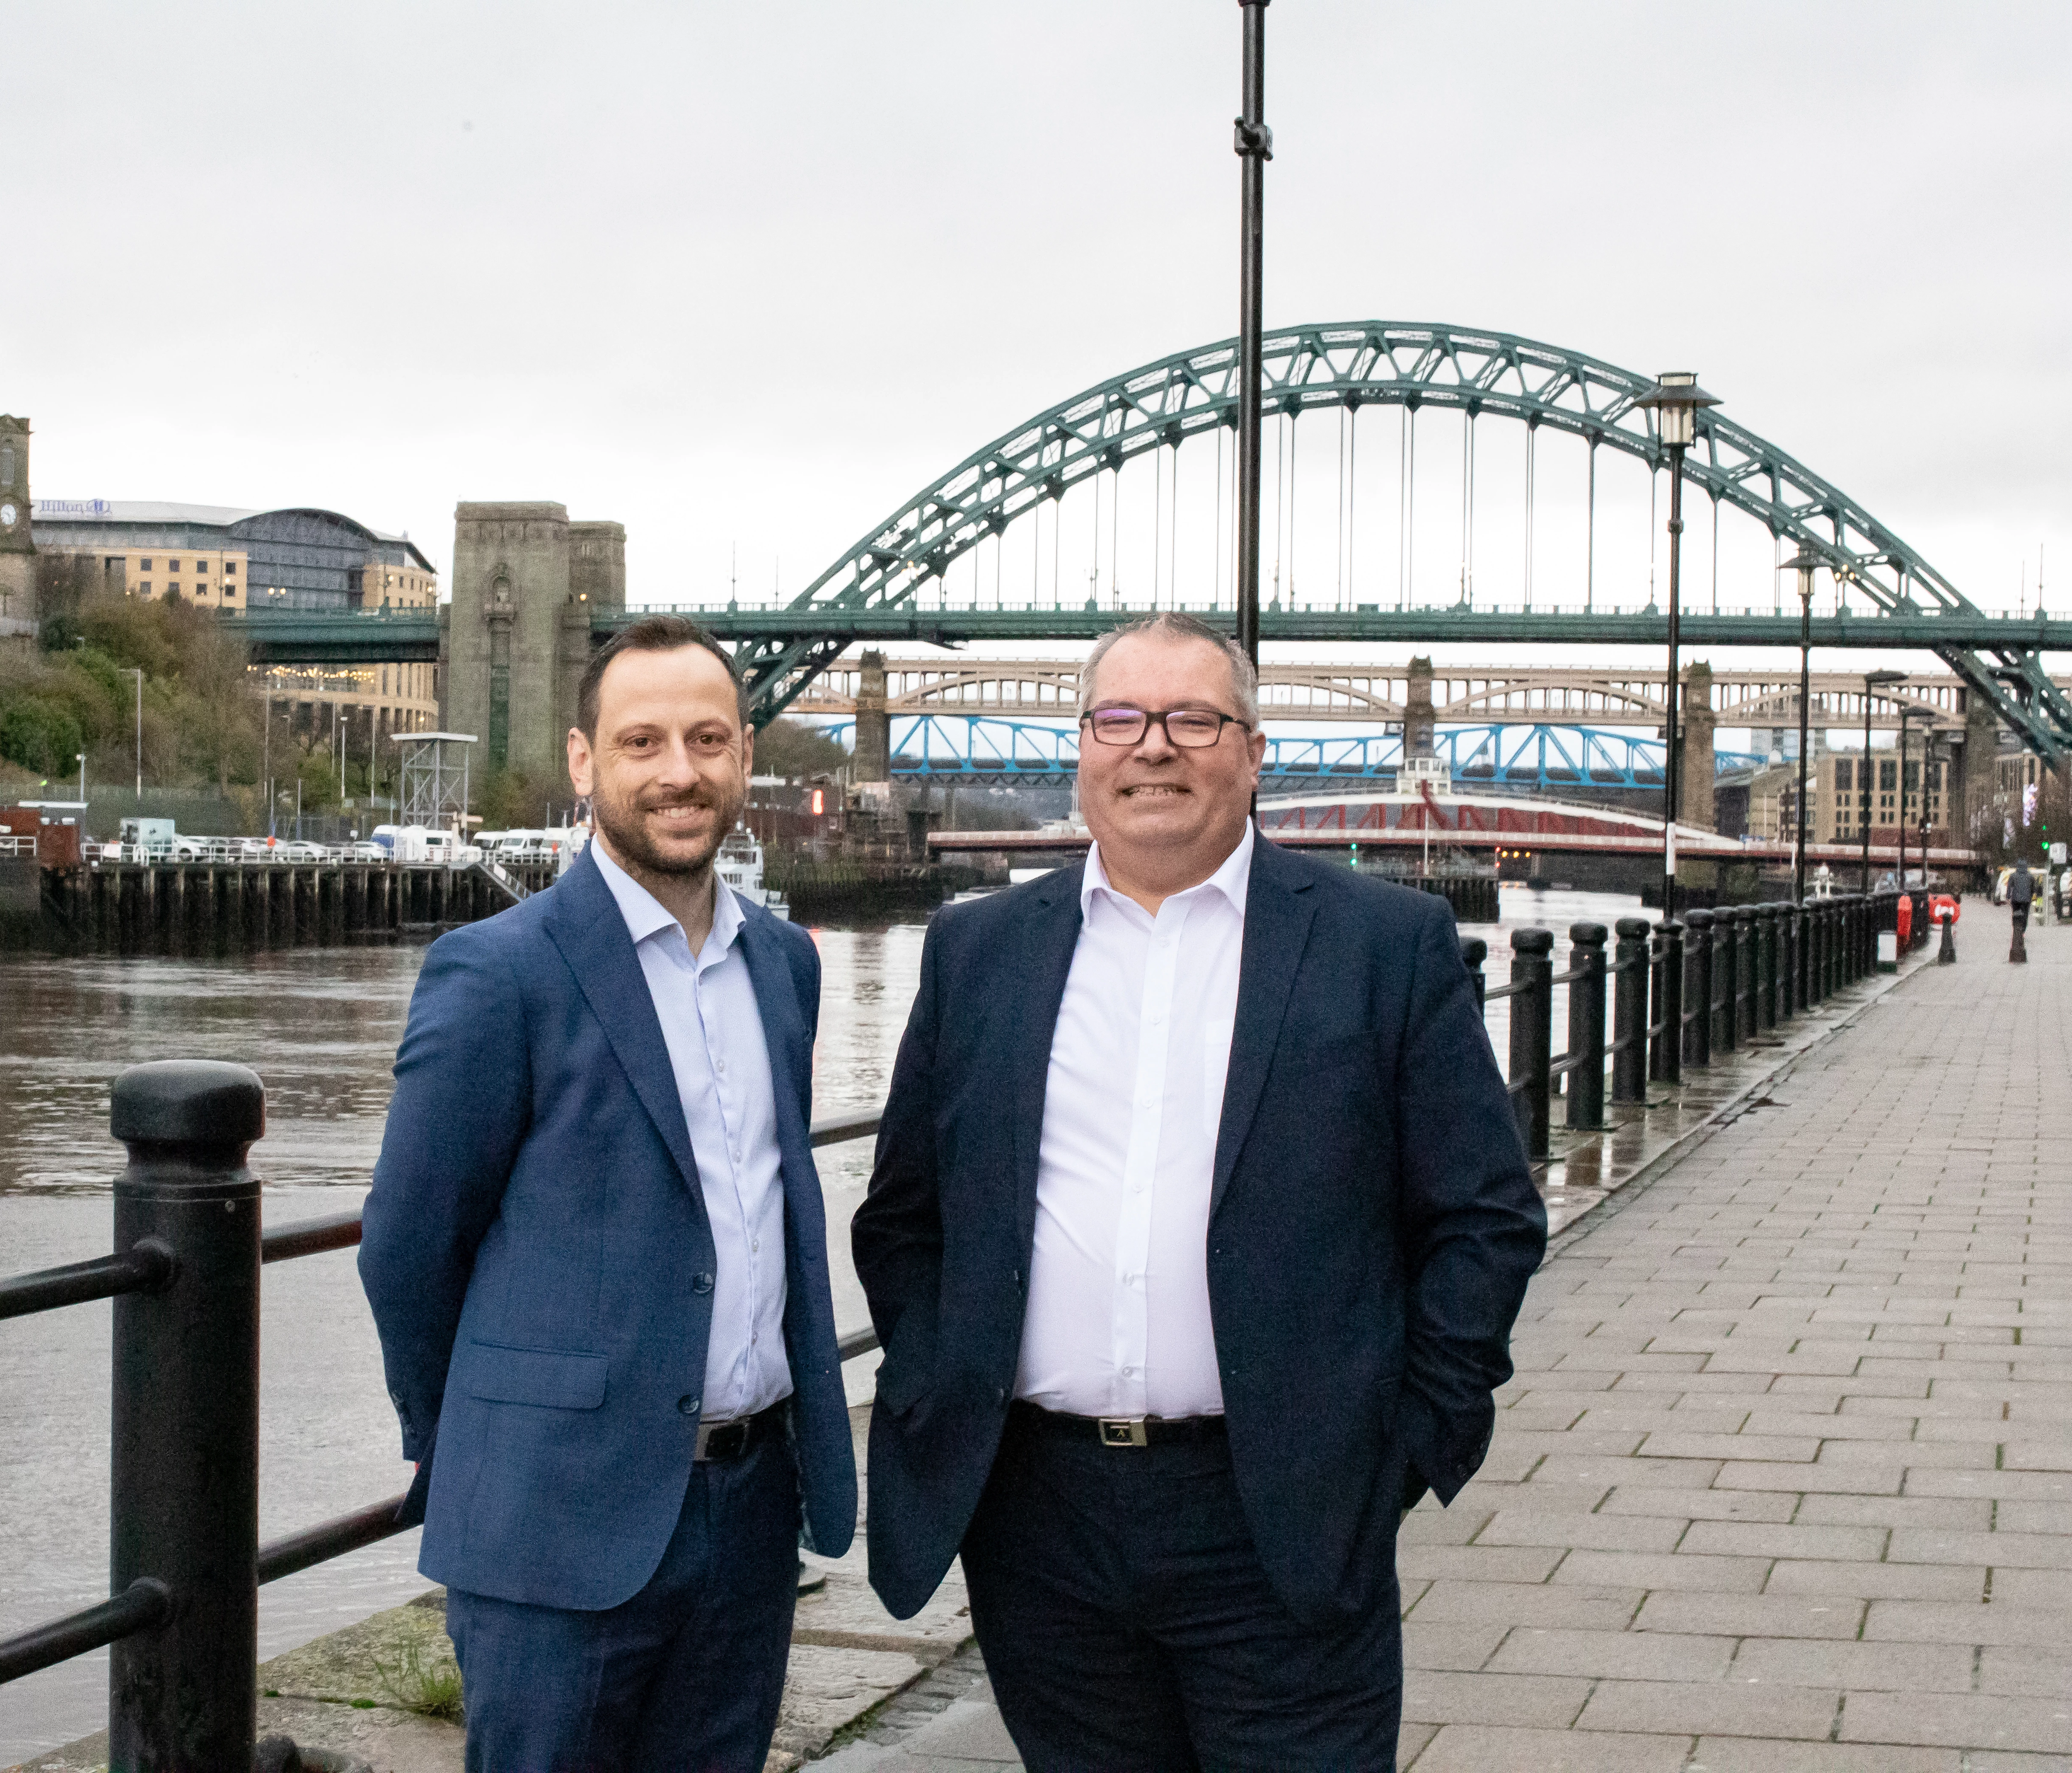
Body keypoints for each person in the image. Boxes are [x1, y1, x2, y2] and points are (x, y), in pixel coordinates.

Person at [851, 612, 1546, 1770]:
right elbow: (905, 1217)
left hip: (1279, 1516)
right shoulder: (980, 952)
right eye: (1120, 719)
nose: (1154, 748)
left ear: (1255, 750)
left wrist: (1406, 1447)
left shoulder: (1384, 947)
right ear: (1082, 748)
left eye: (1194, 719)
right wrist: (941, 1384)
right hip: (1041, 1524)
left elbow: (1484, 1215)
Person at [358, 615, 857, 1773]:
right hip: (556, 1522)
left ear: (743, 756)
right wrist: (488, 1440)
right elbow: (407, 1248)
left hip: (748, 1514)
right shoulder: (500, 973)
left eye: (708, 739)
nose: (679, 772)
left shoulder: (783, 966)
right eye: (643, 743)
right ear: (586, 763)